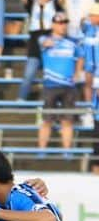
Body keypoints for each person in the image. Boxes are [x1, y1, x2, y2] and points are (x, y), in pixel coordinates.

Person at [37, 12, 82, 151]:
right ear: (53, 25)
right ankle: (41, 152)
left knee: (67, 121)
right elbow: (43, 43)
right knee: (47, 120)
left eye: (64, 23)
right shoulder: (45, 39)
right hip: (50, 85)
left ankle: (66, 152)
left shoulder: (72, 43)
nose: (63, 26)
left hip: (69, 86)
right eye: (59, 23)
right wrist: (49, 42)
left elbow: (81, 56)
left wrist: (77, 72)